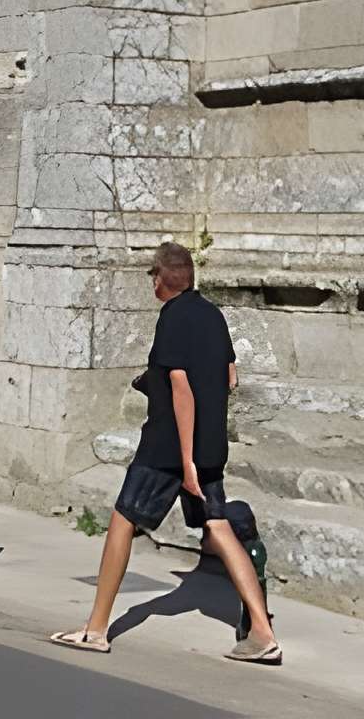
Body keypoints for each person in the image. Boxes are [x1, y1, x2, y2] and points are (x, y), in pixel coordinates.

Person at [52, 241, 281, 664]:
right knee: (217, 526)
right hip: (210, 444)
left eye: (152, 277)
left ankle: (96, 629)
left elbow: (181, 391)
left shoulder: (172, 318)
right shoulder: (213, 315)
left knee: (123, 520)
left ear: (160, 280)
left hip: (169, 448)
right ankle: (262, 633)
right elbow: (228, 376)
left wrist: (187, 461)